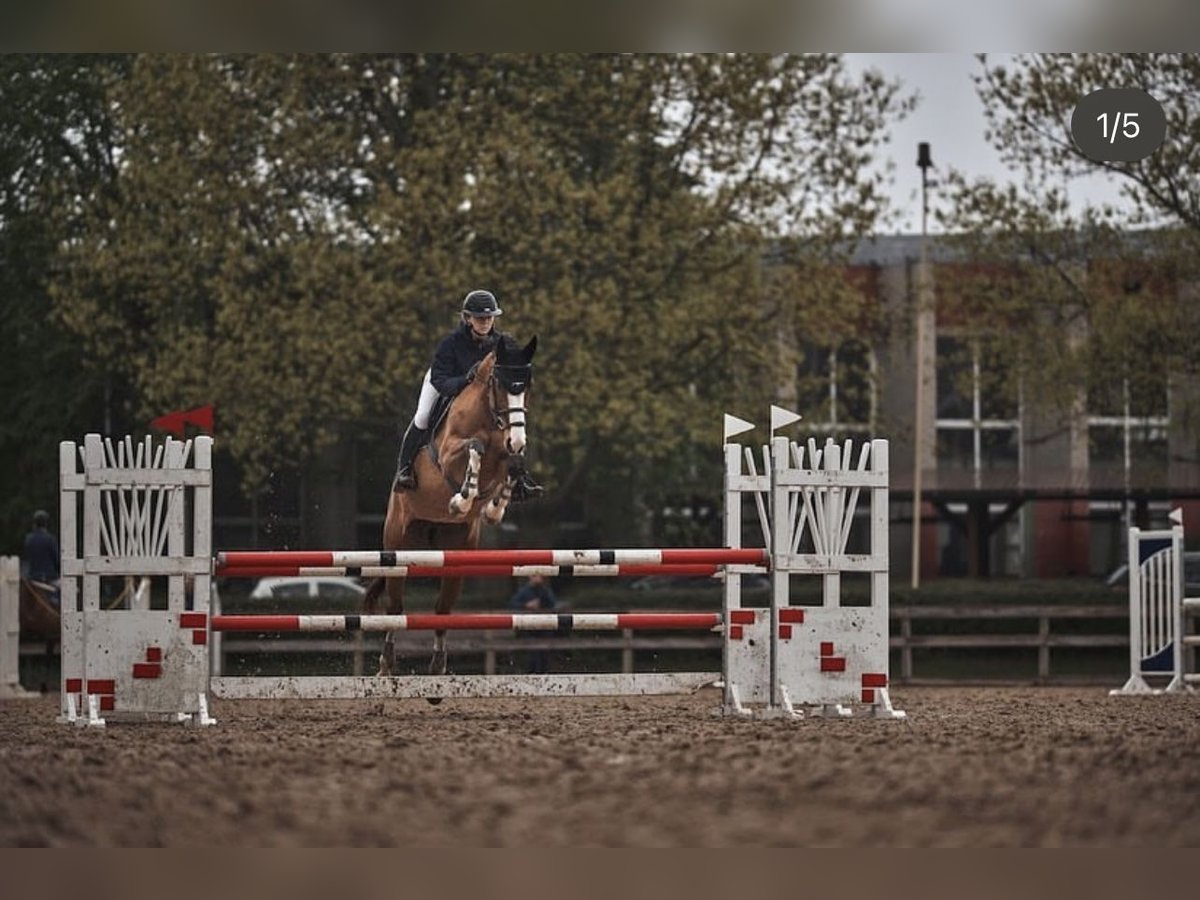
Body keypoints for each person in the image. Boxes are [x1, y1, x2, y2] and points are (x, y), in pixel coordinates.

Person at [392, 289, 542, 500]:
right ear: (468, 318)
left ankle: (519, 479)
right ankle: (404, 468)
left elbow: (512, 369)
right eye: (480, 318)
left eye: (489, 317)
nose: (485, 322)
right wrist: (466, 380)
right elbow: (440, 380)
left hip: (482, 395)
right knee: (423, 416)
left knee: (512, 427)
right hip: (444, 381)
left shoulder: (503, 343)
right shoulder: (451, 343)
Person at [509, 573, 558, 674]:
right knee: (532, 655)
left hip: (543, 627)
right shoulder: (524, 591)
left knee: (544, 654)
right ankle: (531, 673)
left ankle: (544, 674)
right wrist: (526, 605)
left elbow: (553, 604)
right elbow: (513, 604)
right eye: (534, 575)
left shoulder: (545, 590)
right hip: (529, 628)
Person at [22, 509, 60, 606]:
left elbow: (27, 558)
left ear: (35, 523)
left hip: (32, 577)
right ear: (46, 524)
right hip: (49, 578)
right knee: (73, 590)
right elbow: (56, 560)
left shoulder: (28, 539)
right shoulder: (50, 539)